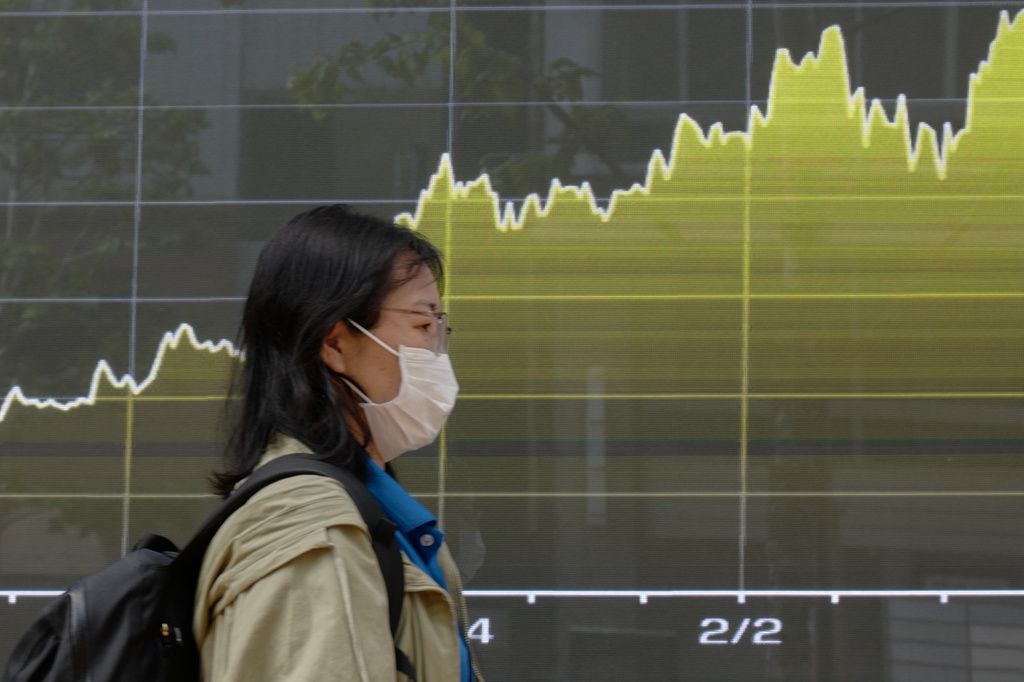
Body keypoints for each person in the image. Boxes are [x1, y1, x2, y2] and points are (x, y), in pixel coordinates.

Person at [193, 204, 482, 682]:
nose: (437, 352)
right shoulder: (314, 532)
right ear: (334, 344)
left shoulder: (368, 513)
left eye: (440, 329)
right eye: (421, 325)